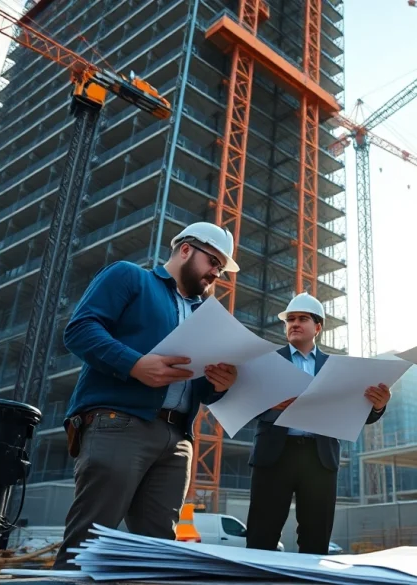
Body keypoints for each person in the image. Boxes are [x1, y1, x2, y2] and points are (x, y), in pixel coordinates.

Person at [52, 222, 241, 568]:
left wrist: (219, 384)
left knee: (156, 554)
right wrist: (134, 364)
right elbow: (79, 330)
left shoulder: (206, 317)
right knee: (89, 542)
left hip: (178, 441)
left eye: (219, 267)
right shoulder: (130, 278)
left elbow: (199, 389)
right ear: (185, 250)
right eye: (213, 261)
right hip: (120, 423)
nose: (216, 272)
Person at [246, 292, 391, 554]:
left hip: (319, 458)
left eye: (302, 318)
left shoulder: (338, 368)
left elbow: (359, 413)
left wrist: (378, 405)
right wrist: (270, 405)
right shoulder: (266, 362)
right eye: (290, 319)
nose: (294, 324)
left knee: (316, 540)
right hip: (274, 456)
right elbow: (245, 405)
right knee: (261, 537)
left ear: (318, 327)